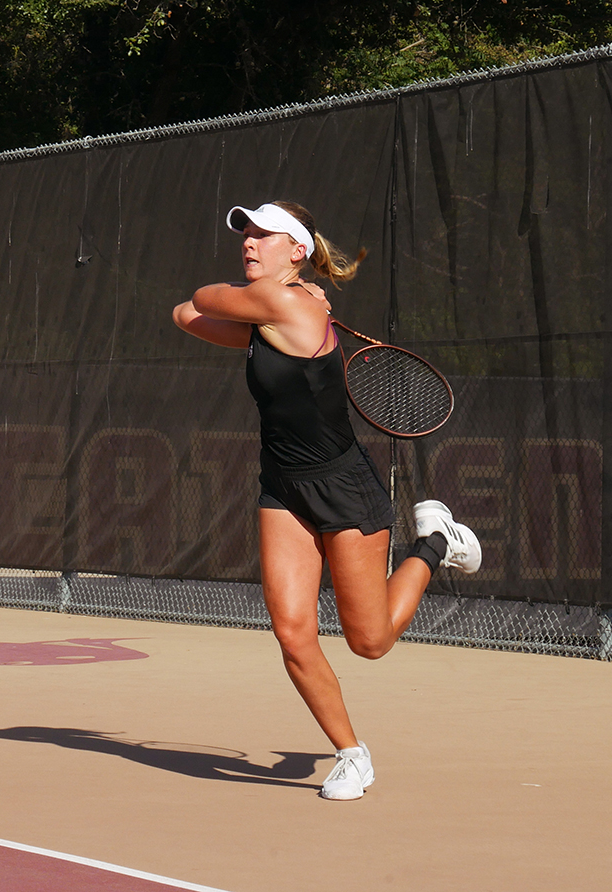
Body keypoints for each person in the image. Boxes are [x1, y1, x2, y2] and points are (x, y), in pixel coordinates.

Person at [172, 201, 481, 800]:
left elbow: (199, 297)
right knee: (292, 633)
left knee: (369, 642)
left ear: (298, 251)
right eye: (246, 234)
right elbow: (185, 313)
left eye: (265, 235)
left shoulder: (284, 303)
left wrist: (233, 300)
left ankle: (438, 540)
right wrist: (220, 307)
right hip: (283, 486)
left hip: (344, 488)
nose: (250, 243)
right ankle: (352, 754)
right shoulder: (276, 311)